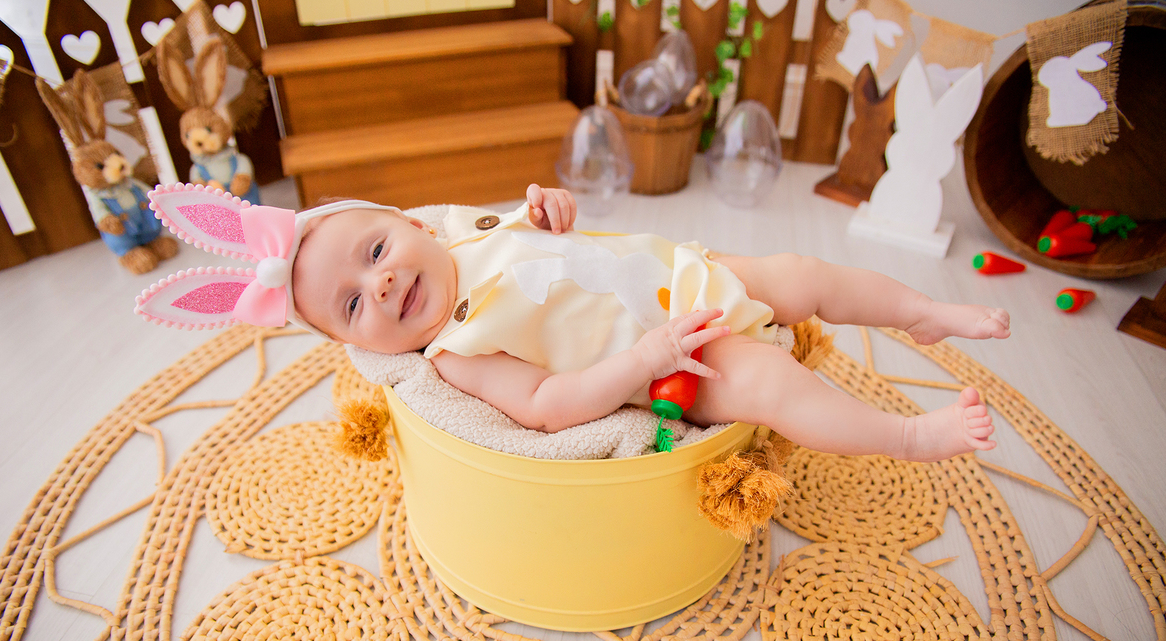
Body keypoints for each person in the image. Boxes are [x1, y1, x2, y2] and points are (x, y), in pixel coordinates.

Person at [138, 183, 1009, 463]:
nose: (384, 282)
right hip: (681, 359)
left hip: (690, 273)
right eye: (354, 305)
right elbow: (550, 406)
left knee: (805, 273)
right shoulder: (454, 354)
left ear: (406, 221)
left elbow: (548, 227)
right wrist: (644, 360)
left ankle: (925, 313)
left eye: (374, 250)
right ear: (360, 348)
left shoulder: (461, 229)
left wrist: (547, 204)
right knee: (777, 385)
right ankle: (907, 437)